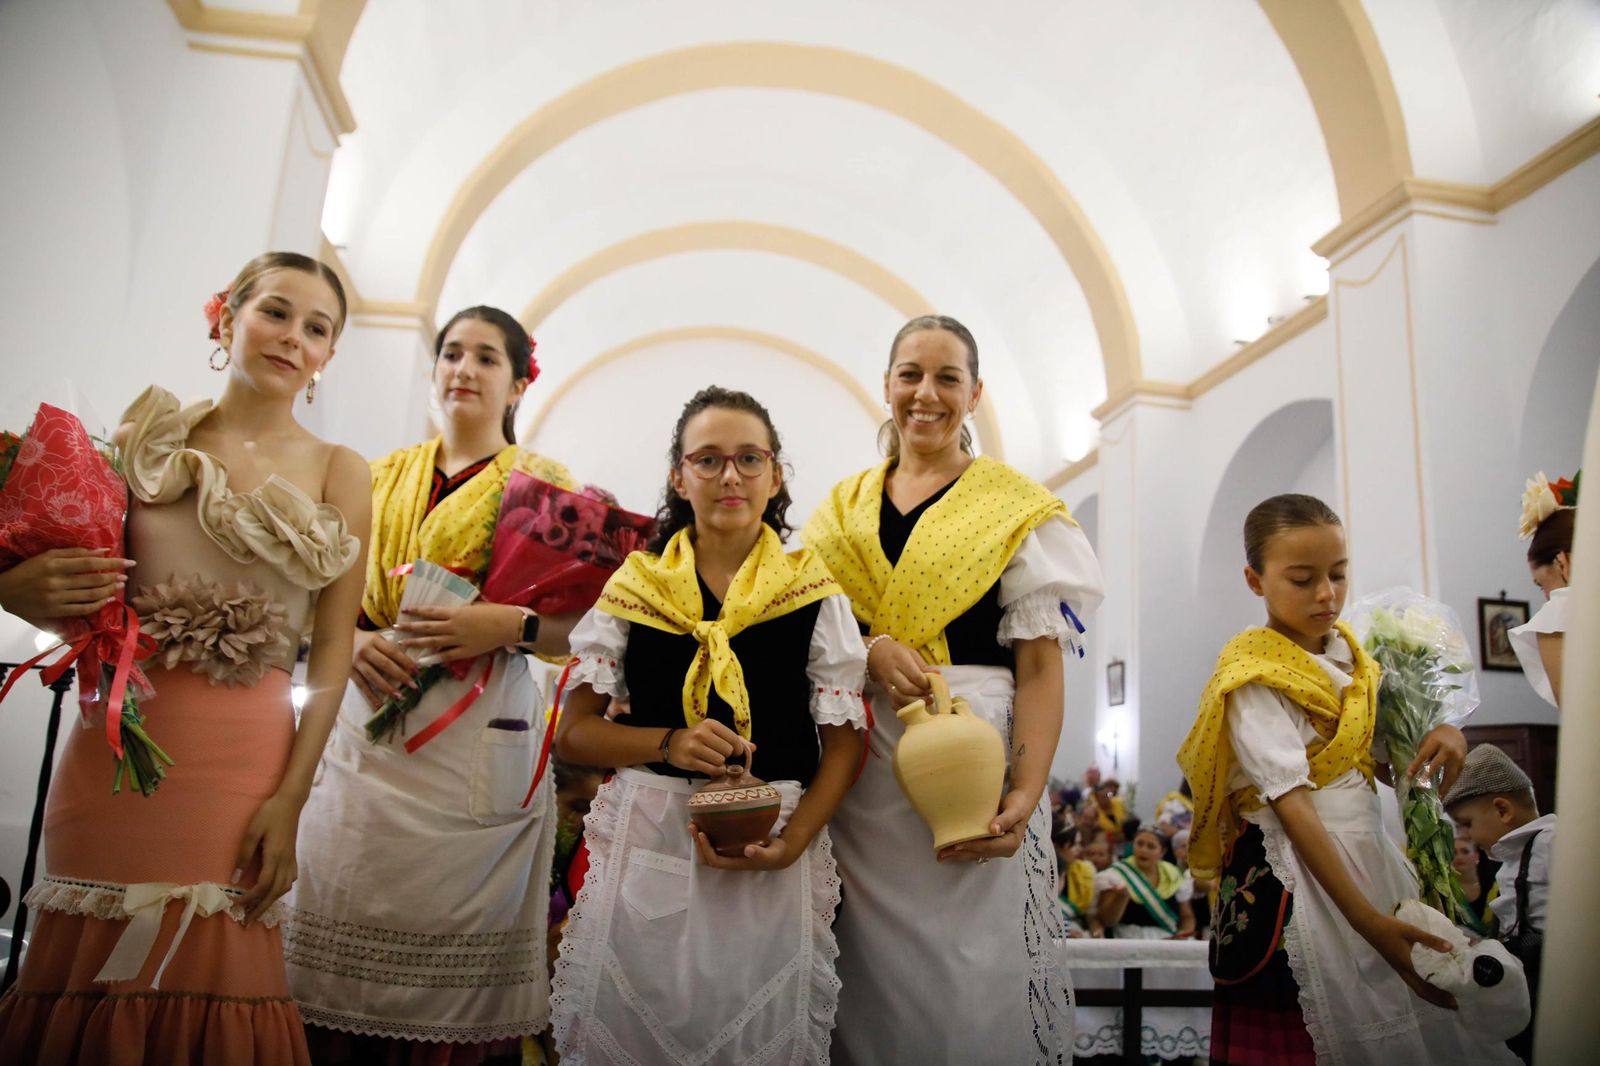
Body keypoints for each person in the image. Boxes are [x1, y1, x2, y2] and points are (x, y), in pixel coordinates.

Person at [0, 252, 367, 1064]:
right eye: (276, 311)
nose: (292, 337)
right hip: (112, 760)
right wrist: (16, 588)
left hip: (244, 777)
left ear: (325, 360)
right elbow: (76, 600)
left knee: (219, 983)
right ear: (225, 317)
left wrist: (292, 798)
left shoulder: (342, 471)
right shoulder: (140, 442)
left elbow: (335, 644)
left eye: (317, 329)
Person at [803, 315, 1104, 1064]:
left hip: (978, 751)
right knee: (865, 971)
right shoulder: (839, 511)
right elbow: (806, 634)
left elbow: (1038, 667)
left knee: (975, 964)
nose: (926, 394)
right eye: (910, 375)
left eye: (947, 378)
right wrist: (870, 650)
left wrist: (1026, 794)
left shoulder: (1014, 508)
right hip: (866, 766)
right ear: (887, 386)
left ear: (975, 394)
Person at [285, 306, 581, 1062]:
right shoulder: (375, 476)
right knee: (338, 900)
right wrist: (349, 638)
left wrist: (502, 626)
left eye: (487, 358)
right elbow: (308, 594)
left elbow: (580, 631)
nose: (464, 369)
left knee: (454, 936)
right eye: (452, 353)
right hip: (366, 716)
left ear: (518, 383)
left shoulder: (548, 489)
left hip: (475, 730)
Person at [547, 386, 865, 1064]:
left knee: (757, 1038)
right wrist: (669, 742)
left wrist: (796, 840)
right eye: (709, 459)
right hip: (655, 829)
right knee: (634, 1036)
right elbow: (573, 733)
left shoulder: (814, 593)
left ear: (776, 476)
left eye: (750, 458)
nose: (730, 476)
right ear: (678, 475)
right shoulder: (635, 588)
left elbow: (843, 746)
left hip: (772, 835)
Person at [1177, 493, 1517, 1065]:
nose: (1327, 594)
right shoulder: (1253, 674)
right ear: (1255, 580)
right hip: (1300, 869)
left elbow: (1385, 755)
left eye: (1338, 575)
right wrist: (1367, 921)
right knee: (1326, 1021)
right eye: (1302, 579)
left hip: (1372, 855)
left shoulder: (1354, 661)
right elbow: (1293, 804)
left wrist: (1446, 729)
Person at [1444, 744, 1556, 1063]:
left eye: (1466, 824)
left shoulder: (1551, 842)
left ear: (1503, 810)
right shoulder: (1509, 860)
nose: (1466, 837)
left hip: (1552, 978)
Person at [1510, 471, 1577, 708]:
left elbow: (1575, 710)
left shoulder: (1560, 612)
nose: (1546, 596)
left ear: (1561, 562)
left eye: (1541, 584)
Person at [1090, 826, 1195, 939]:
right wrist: (1121, 897)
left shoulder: (1173, 875)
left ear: (1162, 852)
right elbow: (1107, 921)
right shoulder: (1116, 875)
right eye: (1139, 844)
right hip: (1127, 941)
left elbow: (1186, 916)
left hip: (1167, 941)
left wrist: (1183, 933)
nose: (1143, 850)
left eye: (1151, 847)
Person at [1451, 825, 1499, 938]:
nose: (1459, 857)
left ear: (1476, 856)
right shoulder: (1446, 889)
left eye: (1465, 851)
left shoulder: (1494, 887)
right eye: (1454, 852)